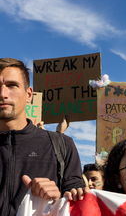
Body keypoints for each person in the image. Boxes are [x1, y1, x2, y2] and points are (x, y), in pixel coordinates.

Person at [0, 58, 85, 216]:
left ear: (29, 95)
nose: (3, 94)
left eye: (12, 85)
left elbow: (77, 204)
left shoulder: (62, 145)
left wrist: (58, 199)